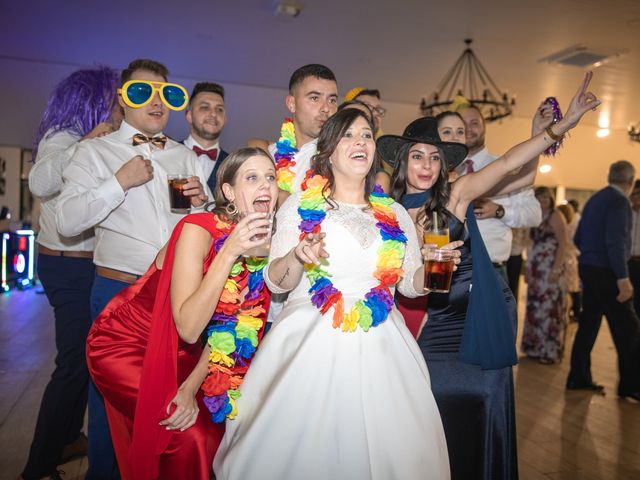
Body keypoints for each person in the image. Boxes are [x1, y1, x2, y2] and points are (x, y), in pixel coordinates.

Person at [380, 72, 600, 479]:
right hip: (419, 331)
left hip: (470, 324)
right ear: (402, 162)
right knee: (424, 418)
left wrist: (560, 127)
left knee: (476, 411)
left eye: (434, 157)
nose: (427, 165)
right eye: (417, 156)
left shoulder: (455, 195)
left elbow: (508, 163)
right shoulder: (386, 212)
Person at [214, 108, 455, 479]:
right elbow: (277, 282)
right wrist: (297, 255)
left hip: (384, 343)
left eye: (366, 136)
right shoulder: (298, 206)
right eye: (349, 135)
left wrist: (435, 268)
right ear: (327, 152)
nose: (360, 142)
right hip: (310, 340)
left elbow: (407, 283)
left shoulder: (394, 213)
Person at [56, 58, 210, 479]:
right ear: (122, 100)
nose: (157, 101)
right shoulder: (94, 152)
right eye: (143, 91)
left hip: (178, 294)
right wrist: (118, 182)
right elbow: (66, 221)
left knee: (171, 395)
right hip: (119, 295)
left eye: (166, 93)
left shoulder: (184, 156)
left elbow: (210, 225)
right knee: (110, 405)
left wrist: (204, 204)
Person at [86, 147, 275, 479]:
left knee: (217, 433)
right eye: (253, 177)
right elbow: (188, 326)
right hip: (124, 343)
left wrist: (190, 387)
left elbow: (227, 331)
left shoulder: (263, 247)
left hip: (184, 353)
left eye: (271, 178)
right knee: (190, 438)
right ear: (229, 191)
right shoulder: (196, 228)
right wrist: (229, 251)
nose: (265, 186)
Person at [21, 66, 121, 480]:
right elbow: (39, 183)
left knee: (83, 358)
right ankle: (39, 464)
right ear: (93, 101)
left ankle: (65, 438)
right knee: (73, 364)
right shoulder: (63, 137)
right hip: (66, 266)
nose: (119, 107)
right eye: (114, 100)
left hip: (81, 266)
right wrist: (87, 141)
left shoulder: (92, 141)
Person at [567, 161, 640, 400]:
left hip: (589, 267)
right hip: (607, 271)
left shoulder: (596, 199)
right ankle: (631, 387)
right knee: (629, 328)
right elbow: (616, 243)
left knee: (589, 324)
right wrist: (623, 278)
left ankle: (578, 377)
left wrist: (591, 256)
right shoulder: (620, 202)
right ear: (630, 182)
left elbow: (578, 238)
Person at [456, 104, 543, 283]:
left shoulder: (506, 167)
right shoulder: (442, 169)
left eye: (474, 123)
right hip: (453, 271)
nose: (468, 129)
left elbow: (535, 215)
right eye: (462, 125)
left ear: (484, 127)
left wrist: (499, 211)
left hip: (492, 269)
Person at [273, 63, 338, 206]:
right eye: (315, 98)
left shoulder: (340, 158)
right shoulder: (269, 156)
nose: (326, 108)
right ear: (292, 103)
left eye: (332, 100)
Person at [522, 187, 570, 364]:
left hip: (550, 268)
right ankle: (533, 348)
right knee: (534, 307)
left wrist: (556, 270)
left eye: (545, 197)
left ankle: (548, 351)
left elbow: (563, 244)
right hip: (536, 268)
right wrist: (527, 268)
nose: (543, 200)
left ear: (550, 198)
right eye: (539, 197)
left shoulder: (556, 216)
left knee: (548, 309)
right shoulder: (535, 216)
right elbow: (530, 243)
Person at [183, 82, 229, 193]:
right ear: (189, 116)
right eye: (204, 107)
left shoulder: (234, 165)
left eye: (219, 109)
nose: (213, 114)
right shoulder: (167, 154)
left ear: (225, 119)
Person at [557, 203, 580, 320]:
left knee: (561, 292)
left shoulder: (560, 227)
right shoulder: (573, 226)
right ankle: (568, 314)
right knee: (570, 292)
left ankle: (563, 314)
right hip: (571, 260)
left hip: (563, 261)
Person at [567, 199, 583, 318]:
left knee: (574, 286)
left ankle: (576, 311)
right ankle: (576, 311)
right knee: (574, 285)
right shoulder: (578, 219)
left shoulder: (574, 219)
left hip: (573, 255)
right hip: (574, 255)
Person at [629, 182, 640, 317]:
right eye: (633, 194)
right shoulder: (625, 213)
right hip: (628, 262)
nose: (635, 197)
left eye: (638, 193)